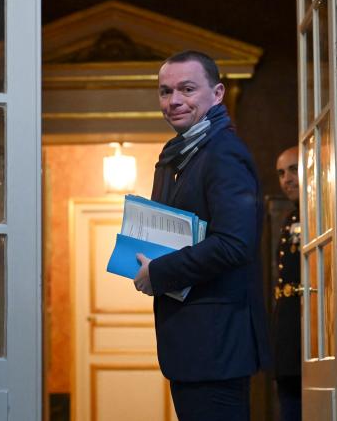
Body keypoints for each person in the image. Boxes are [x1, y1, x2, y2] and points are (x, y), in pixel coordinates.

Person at [133, 50, 270, 421]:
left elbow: (234, 244)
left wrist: (159, 273)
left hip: (217, 347)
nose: (174, 100)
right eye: (165, 91)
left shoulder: (222, 152)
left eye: (187, 89)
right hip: (195, 346)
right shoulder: (180, 155)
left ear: (219, 93)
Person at [273, 146, 302, 420]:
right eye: (282, 173)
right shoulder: (291, 218)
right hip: (289, 333)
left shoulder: (321, 214)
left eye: (294, 169)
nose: (287, 179)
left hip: (311, 333)